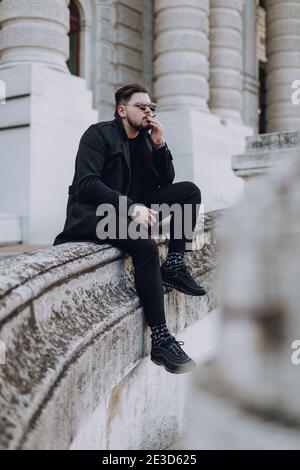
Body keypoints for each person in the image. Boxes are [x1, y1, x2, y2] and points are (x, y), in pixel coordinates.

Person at [54, 83, 206, 374]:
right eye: (141, 106)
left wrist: (160, 145)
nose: (148, 112)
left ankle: (174, 264)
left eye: (152, 107)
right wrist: (129, 206)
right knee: (145, 246)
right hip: (96, 214)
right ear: (122, 110)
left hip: (133, 209)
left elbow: (166, 182)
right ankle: (161, 339)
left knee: (189, 192)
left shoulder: (147, 140)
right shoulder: (98, 135)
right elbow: (86, 183)